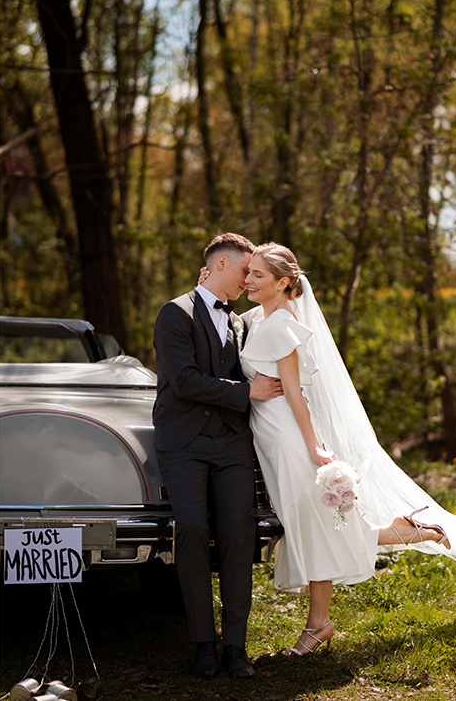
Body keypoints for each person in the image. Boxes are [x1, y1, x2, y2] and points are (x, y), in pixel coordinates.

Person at [203, 242, 456, 656]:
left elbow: (295, 393)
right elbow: (231, 319)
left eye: (257, 274)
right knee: (316, 527)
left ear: (284, 282)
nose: (248, 280)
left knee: (316, 529)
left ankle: (320, 623)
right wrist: (209, 282)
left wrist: (314, 448)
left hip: (288, 440)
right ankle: (400, 534)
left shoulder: (280, 327)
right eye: (248, 272)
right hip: (270, 439)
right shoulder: (264, 317)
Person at [153, 233, 284, 680]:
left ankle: (235, 648)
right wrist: (247, 392)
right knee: (191, 530)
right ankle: (203, 646)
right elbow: (185, 380)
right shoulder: (175, 312)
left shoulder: (240, 322)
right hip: (183, 443)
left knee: (238, 535)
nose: (249, 279)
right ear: (221, 264)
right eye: (246, 270)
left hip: (231, 444)